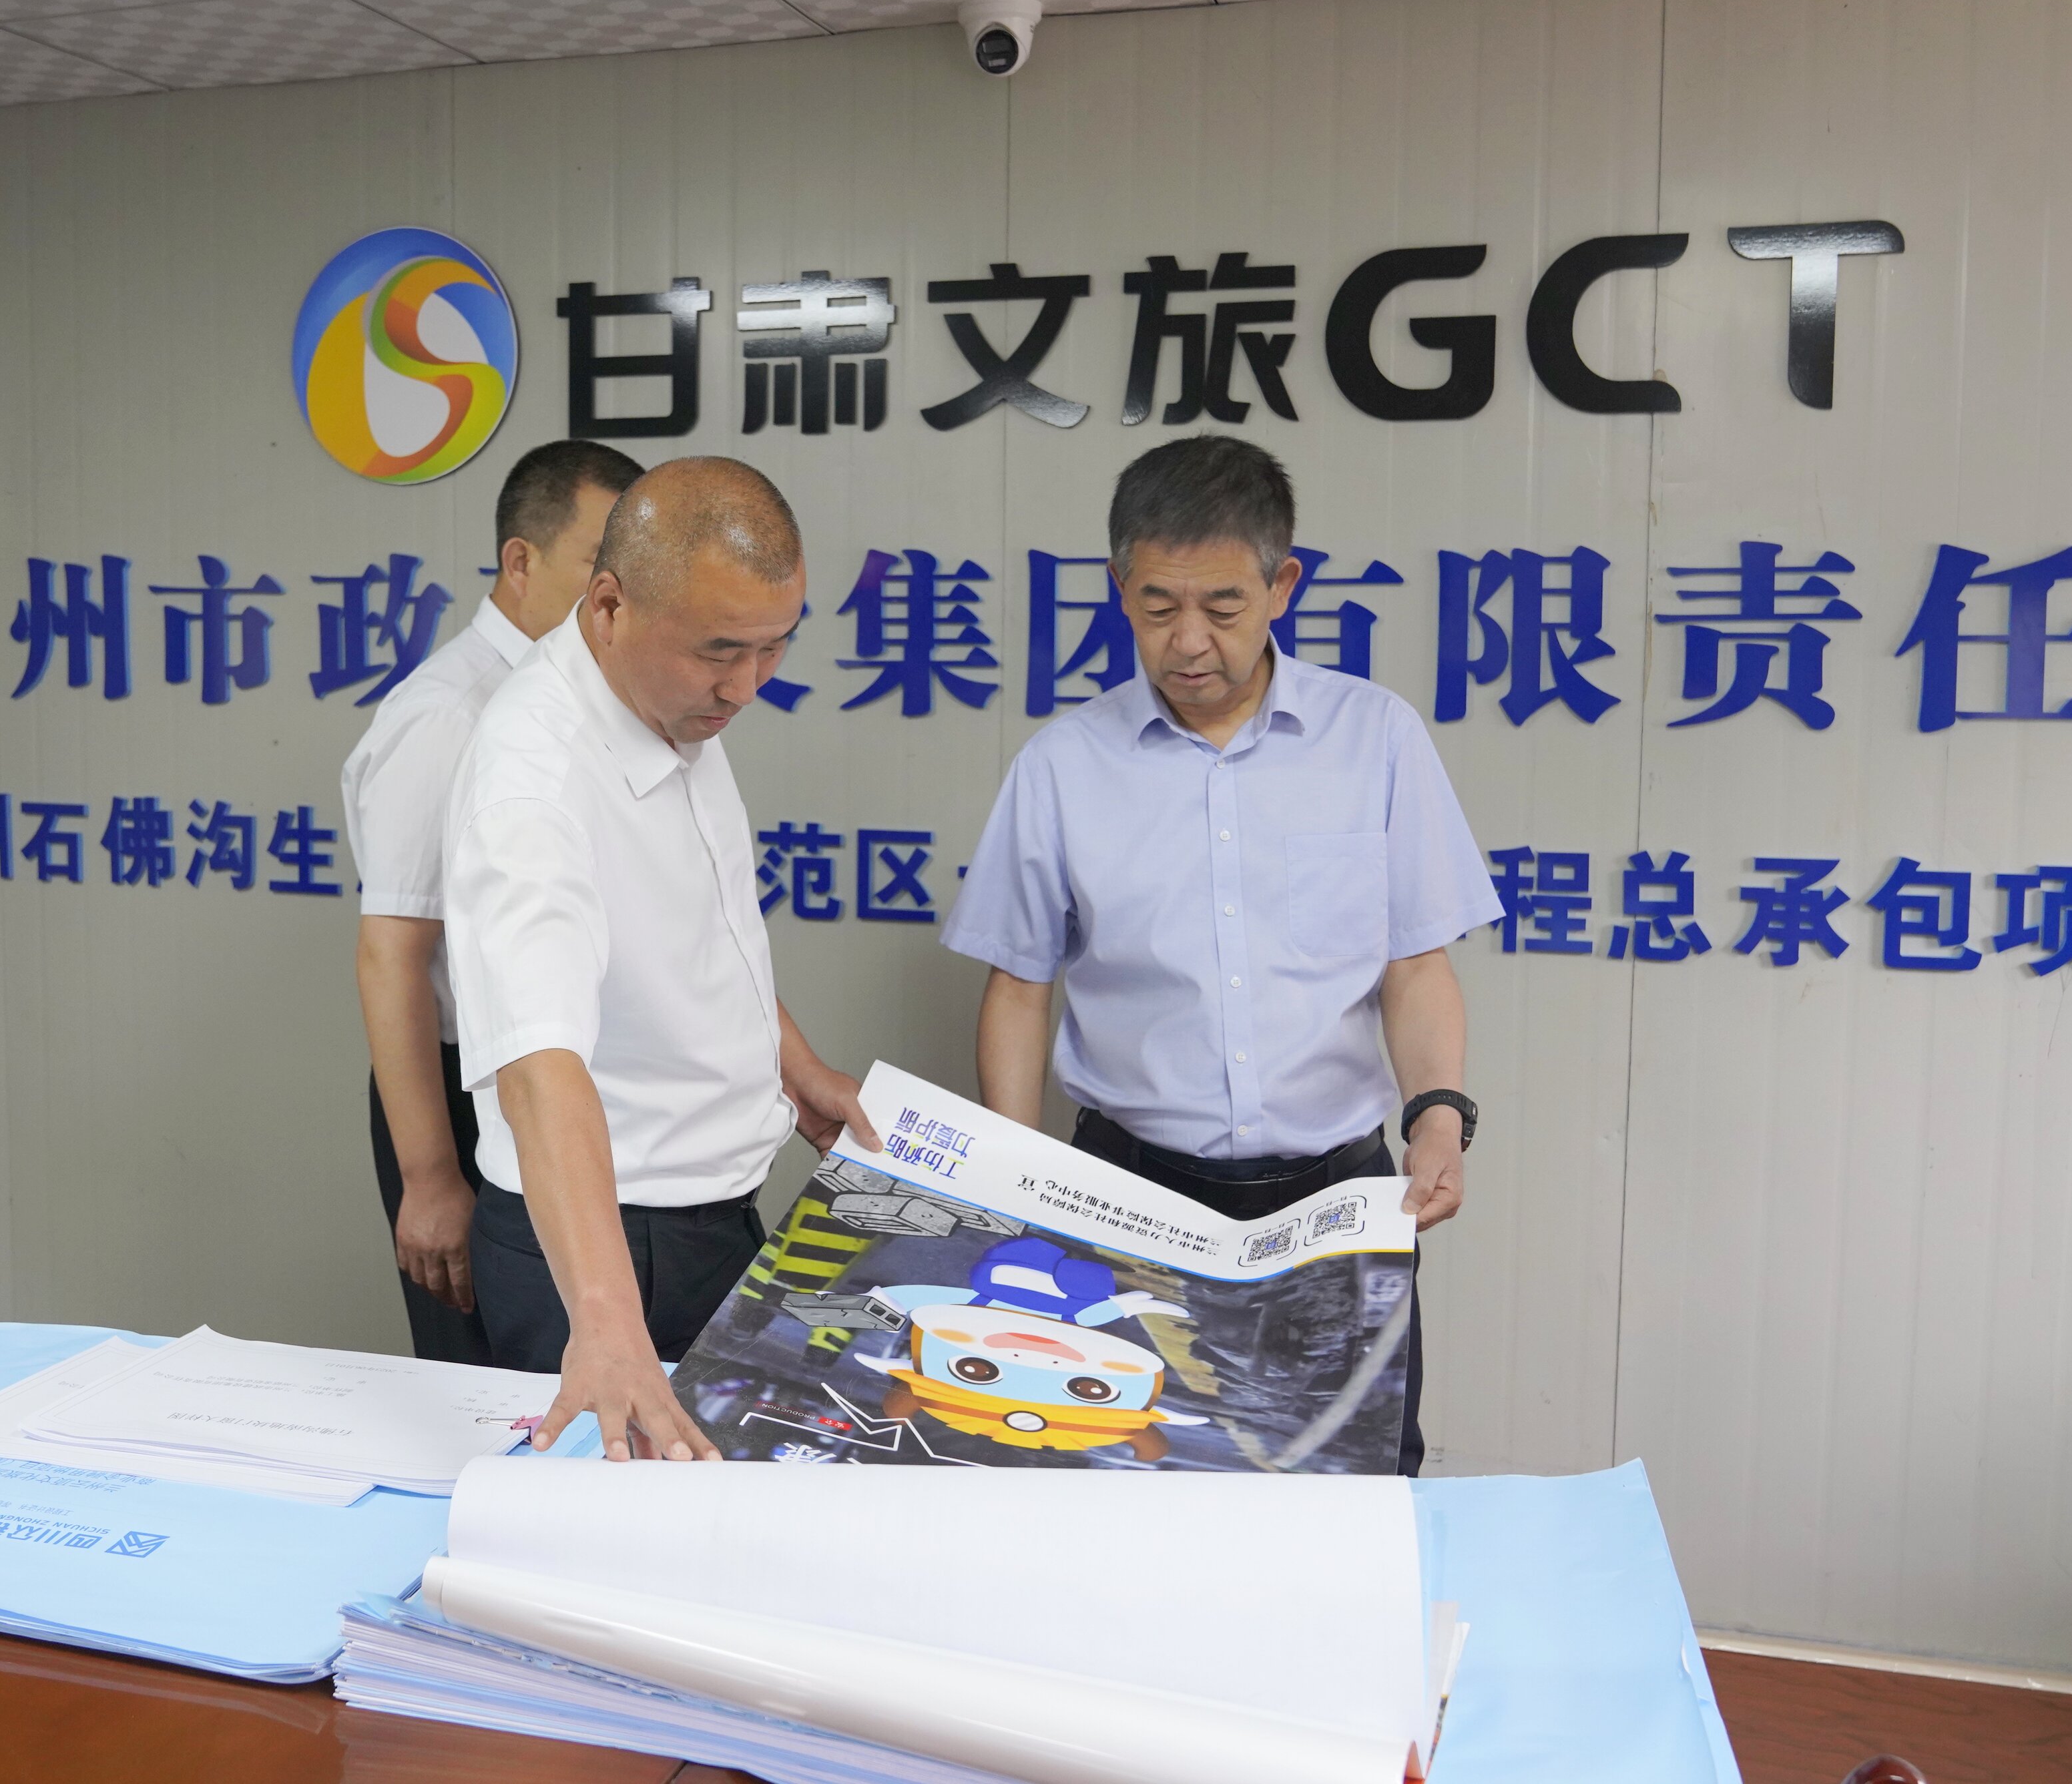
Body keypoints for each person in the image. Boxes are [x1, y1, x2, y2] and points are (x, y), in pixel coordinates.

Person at [942, 434, 1499, 1476]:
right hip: (1130, 1192)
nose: (1189, 641)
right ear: (1120, 588)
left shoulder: (1375, 739)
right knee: (1126, 1469)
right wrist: (1014, 1184)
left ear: (1283, 586)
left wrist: (1438, 1118)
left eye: (1223, 607)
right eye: (1158, 606)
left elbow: (1415, 967)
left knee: (1358, 1479)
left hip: (1334, 1201)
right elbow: (1019, 986)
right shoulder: (1064, 766)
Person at [443, 457, 875, 1456]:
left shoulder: (665, 696)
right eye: (721, 651)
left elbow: (699, 926)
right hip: (606, 1248)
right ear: (608, 605)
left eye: (774, 648)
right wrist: (604, 1320)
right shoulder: (533, 783)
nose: (747, 686)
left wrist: (793, 1066)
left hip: (708, 1214)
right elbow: (536, 1067)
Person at [340, 438, 641, 1363]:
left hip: (564, 1081)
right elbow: (393, 956)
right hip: (462, 1091)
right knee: (489, 1385)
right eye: (599, 564)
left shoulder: (589, 701)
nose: (619, 594)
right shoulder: (450, 712)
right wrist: (431, 1176)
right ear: (521, 560)